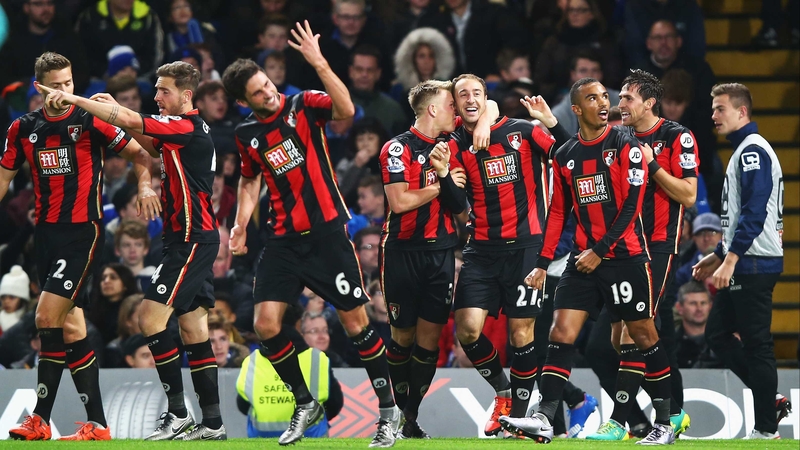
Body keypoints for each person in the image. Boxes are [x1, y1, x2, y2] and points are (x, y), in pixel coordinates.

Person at [221, 21, 400, 447]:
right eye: (258, 93)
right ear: (243, 101)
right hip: (282, 240)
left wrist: (319, 62)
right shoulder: (247, 134)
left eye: (267, 85)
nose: (268, 93)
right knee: (265, 325)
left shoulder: (302, 104)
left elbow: (346, 111)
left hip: (326, 236)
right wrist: (240, 223)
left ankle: (389, 413)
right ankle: (305, 402)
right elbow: (249, 181)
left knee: (356, 324)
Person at [38, 60, 225, 440]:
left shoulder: (187, 126)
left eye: (164, 90)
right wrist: (115, 118)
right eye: (155, 89)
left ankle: (177, 414)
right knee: (192, 326)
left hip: (193, 238)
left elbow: (133, 121)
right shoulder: (180, 132)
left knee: (150, 318)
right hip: (185, 237)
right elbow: (143, 140)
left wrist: (77, 100)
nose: (156, 96)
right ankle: (213, 424)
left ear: (186, 96)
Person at [499, 78, 674, 445]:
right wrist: (543, 262)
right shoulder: (566, 155)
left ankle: (664, 421)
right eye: (592, 98)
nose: (603, 102)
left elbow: (632, 206)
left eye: (604, 97)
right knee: (559, 333)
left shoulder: (627, 144)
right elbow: (559, 213)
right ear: (576, 109)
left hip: (625, 258)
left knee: (643, 335)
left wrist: (601, 249)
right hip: (582, 262)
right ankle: (545, 418)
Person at [2, 52, 159, 441]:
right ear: (39, 88)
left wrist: (143, 184)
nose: (64, 91)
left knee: (45, 317)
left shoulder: (90, 120)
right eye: (56, 85)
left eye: (69, 83)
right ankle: (99, 426)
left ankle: (38, 418)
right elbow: (3, 178)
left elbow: (142, 153)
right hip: (47, 237)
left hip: (83, 234)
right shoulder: (23, 129)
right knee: (71, 328)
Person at [432, 74, 571, 437]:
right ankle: (503, 391)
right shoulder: (453, 143)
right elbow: (456, 204)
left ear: (486, 97)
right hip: (481, 249)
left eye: (477, 92)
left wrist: (551, 123)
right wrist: (446, 175)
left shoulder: (524, 131)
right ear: (456, 105)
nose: (471, 98)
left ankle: (519, 419)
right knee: (467, 330)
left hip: (527, 248)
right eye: (463, 95)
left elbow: (570, 156)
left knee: (521, 332)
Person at [585, 69, 697, 440]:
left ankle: (624, 422)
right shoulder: (621, 138)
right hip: (625, 249)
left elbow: (688, 195)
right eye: (619, 99)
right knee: (608, 344)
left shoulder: (676, 136)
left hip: (659, 247)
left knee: (636, 333)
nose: (620, 105)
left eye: (627, 99)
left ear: (650, 102)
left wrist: (652, 165)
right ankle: (674, 412)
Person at [693, 83, 788, 439]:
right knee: (718, 335)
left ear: (742, 111)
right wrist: (715, 256)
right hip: (747, 259)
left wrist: (729, 259)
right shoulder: (745, 151)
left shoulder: (751, 152)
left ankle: (766, 429)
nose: (714, 116)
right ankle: (771, 400)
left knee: (757, 343)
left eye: (720, 109)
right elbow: (740, 218)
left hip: (753, 263)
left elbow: (754, 212)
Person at [379, 79, 466, 438]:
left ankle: (409, 417)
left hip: (441, 252)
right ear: (432, 109)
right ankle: (400, 412)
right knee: (402, 335)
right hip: (402, 251)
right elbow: (399, 202)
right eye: (450, 104)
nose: (455, 111)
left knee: (429, 339)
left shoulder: (452, 144)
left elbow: (460, 207)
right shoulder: (396, 149)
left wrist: (446, 182)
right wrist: (441, 184)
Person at [673, 281, 719, 368]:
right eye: (693, 303)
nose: (699, 309)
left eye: (703, 303)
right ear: (679, 308)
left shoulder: (723, 343)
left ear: (710, 306)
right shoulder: (670, 344)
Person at [0, 265, 31, 335]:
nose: (6, 301)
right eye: (3, 297)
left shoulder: (30, 322)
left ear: (22, 299)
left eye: (12, 297)